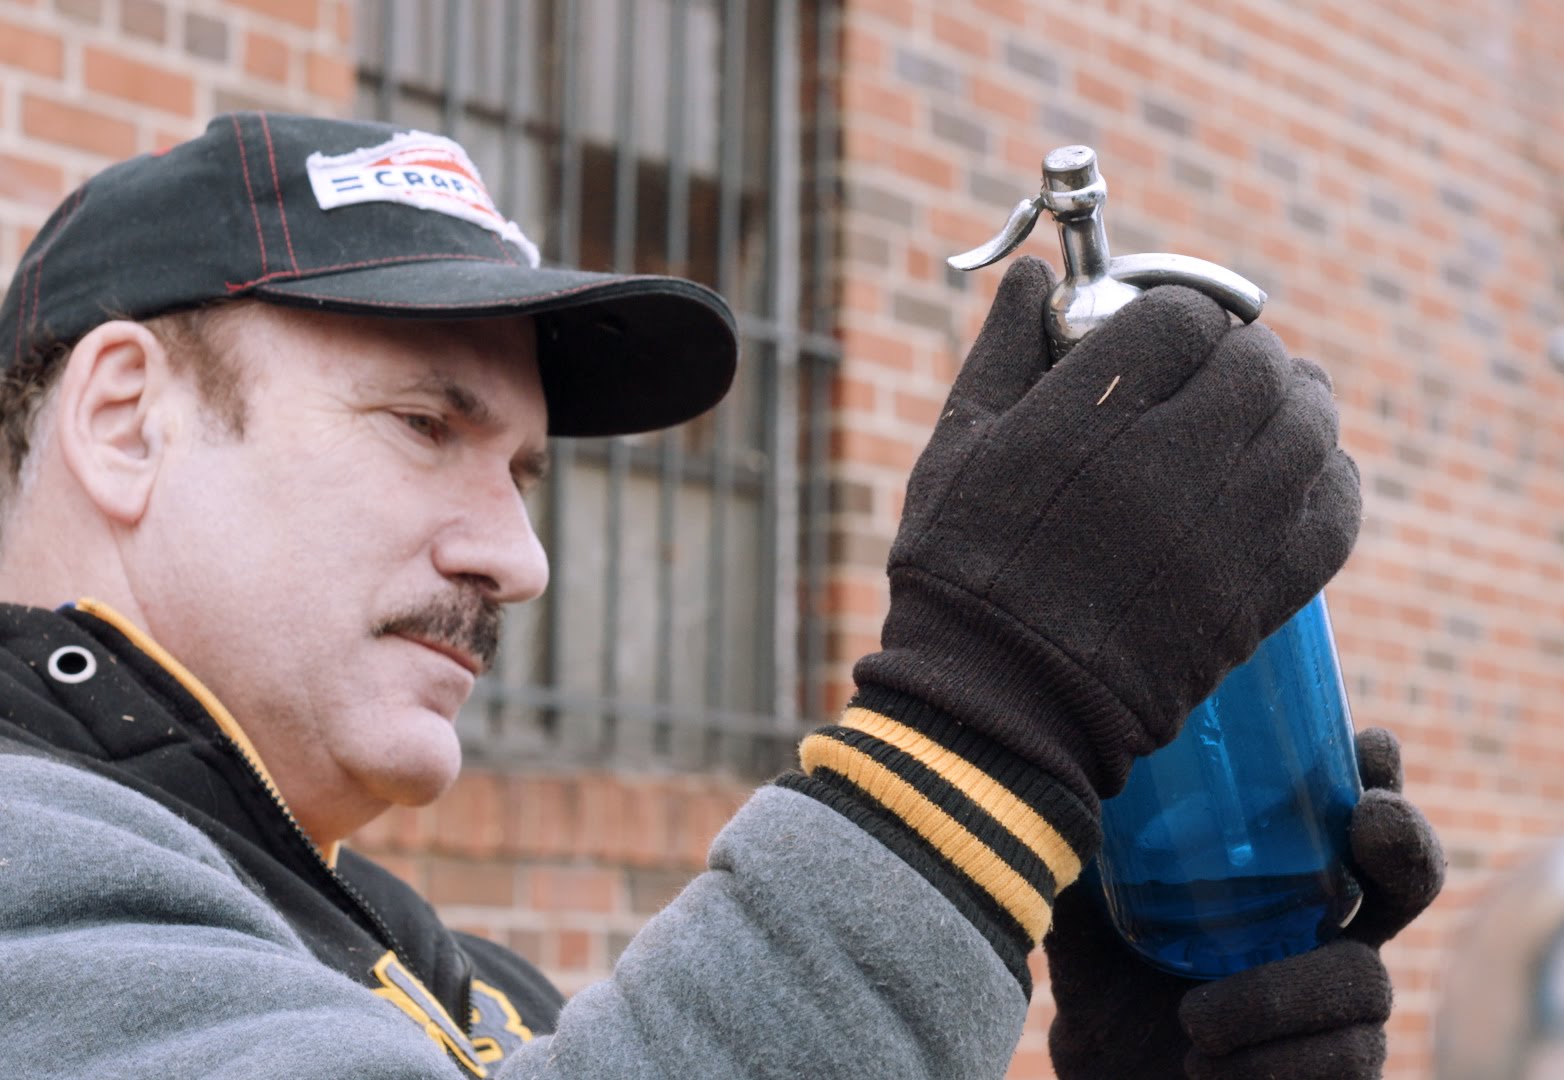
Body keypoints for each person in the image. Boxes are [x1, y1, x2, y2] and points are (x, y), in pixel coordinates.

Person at [0, 112, 1442, 1079]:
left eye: (528, 476)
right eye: (426, 426)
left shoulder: (431, 977)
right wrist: (986, 731)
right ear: (128, 418)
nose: (518, 560)